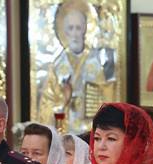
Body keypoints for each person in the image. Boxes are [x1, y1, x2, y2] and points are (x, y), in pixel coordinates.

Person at [37, 0, 116, 134]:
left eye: (78, 28)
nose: (74, 33)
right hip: (65, 131)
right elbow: (46, 106)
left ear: (85, 29)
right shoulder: (57, 66)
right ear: (64, 30)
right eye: (70, 28)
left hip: (90, 130)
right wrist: (63, 101)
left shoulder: (95, 63)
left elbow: (105, 99)